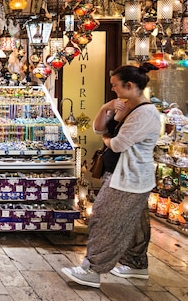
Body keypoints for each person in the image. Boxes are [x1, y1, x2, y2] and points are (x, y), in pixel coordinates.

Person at [61, 63, 161, 288]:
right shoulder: (127, 107)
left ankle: (92, 269)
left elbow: (117, 144)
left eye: (116, 86)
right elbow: (99, 129)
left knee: (104, 219)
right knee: (134, 223)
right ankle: (136, 264)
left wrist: (106, 141)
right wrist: (106, 108)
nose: (113, 89)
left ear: (130, 85)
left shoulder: (144, 113)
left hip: (129, 177)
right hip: (123, 175)